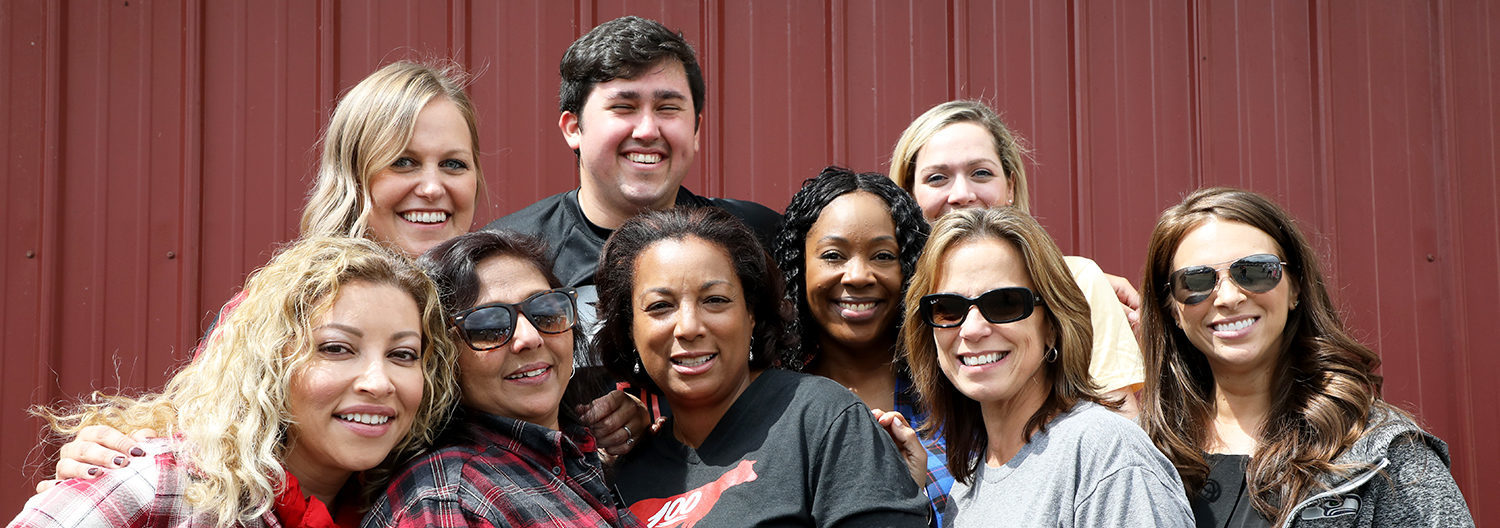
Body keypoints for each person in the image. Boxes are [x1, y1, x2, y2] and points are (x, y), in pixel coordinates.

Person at [43, 60, 645, 489]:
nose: (432, 187)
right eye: (403, 162)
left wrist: (618, 421)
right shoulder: (295, 302)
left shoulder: (488, 299)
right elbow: (207, 428)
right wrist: (103, 456)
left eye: (453, 164)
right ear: (355, 175)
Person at [11, 236, 461, 528]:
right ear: (268, 362)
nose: (379, 382)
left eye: (403, 355)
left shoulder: (405, 508)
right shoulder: (159, 485)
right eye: (336, 348)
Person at [1137, 187, 1474, 527]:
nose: (1227, 297)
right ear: (1173, 310)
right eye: (1196, 280)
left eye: (1254, 270)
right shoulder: (1140, 452)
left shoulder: (1383, 455)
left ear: (1296, 287)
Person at [593, 207, 929, 526]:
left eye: (715, 300)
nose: (689, 327)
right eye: (660, 306)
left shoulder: (822, 421)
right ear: (629, 330)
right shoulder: (626, 473)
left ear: (751, 314)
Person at [484, 15, 780, 343]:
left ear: (696, 131)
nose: (648, 131)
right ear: (573, 128)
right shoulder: (511, 252)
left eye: (668, 108)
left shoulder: (758, 237)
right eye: (624, 107)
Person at [902, 207, 1193, 527]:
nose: (972, 329)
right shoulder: (969, 484)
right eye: (947, 309)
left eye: (1004, 303)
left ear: (1052, 325)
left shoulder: (1106, 454)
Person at [362, 231, 641, 527]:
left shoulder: (582, 453)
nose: (530, 338)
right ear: (441, 355)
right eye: (489, 326)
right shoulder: (447, 501)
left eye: (546, 312)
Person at [888, 99, 1144, 415]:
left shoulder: (1077, 283)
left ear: (1010, 185)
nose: (961, 195)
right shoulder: (886, 295)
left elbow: (1120, 427)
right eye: (937, 178)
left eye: (981, 173)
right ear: (908, 196)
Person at [772, 166, 952, 519]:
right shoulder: (770, 406)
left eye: (883, 256)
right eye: (833, 256)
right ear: (798, 268)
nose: (857, 276)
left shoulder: (956, 393)